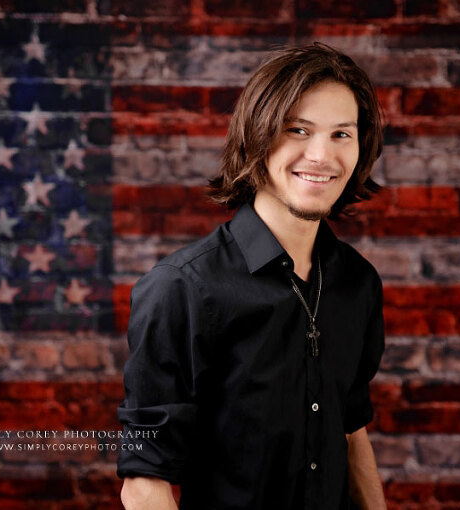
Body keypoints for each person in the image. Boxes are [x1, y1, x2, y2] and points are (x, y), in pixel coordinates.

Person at [117, 43, 387, 510]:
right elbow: (145, 485)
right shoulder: (181, 289)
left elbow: (350, 431)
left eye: (342, 134)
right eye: (297, 130)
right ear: (257, 136)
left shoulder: (358, 283)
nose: (321, 155)